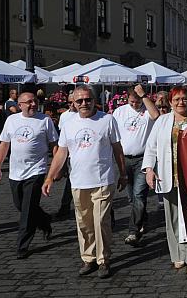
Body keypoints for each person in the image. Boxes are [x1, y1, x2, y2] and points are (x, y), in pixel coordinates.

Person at [42, 86, 127, 279]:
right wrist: (49, 177)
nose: (83, 104)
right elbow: (62, 152)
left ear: (93, 100)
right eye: (79, 101)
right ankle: (88, 258)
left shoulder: (107, 120)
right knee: (84, 223)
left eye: (87, 100)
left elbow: (117, 149)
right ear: (73, 103)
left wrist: (123, 174)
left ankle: (103, 260)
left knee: (101, 222)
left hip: (103, 180)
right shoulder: (69, 124)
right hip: (79, 181)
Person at [143, 86, 187, 275]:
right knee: (171, 219)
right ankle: (177, 255)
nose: (181, 102)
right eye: (176, 99)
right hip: (167, 175)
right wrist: (149, 169)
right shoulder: (162, 121)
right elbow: (151, 147)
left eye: (184, 98)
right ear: (170, 102)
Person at [0, 92, 59, 258]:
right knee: (20, 205)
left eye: (35, 101)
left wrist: (57, 169)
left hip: (37, 171)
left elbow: (55, 146)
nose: (33, 104)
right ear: (20, 104)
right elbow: (4, 145)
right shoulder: (12, 120)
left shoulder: (45, 120)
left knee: (27, 210)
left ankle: (22, 245)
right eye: (29, 102)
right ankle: (44, 219)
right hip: (15, 172)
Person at [112, 84, 158, 246]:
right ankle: (142, 218)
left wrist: (144, 97)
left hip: (143, 159)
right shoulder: (120, 112)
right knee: (132, 197)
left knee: (139, 194)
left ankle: (133, 231)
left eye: (137, 102)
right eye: (132, 102)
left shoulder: (147, 109)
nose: (134, 105)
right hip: (125, 159)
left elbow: (156, 115)